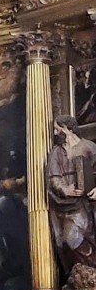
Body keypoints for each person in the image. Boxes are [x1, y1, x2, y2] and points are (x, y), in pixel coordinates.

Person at [45, 115, 96, 275]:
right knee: (69, 237)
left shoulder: (89, 147)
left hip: (89, 202)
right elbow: (54, 178)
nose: (55, 132)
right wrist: (64, 189)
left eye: (58, 129)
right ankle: (85, 269)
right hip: (67, 204)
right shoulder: (56, 152)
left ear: (68, 128)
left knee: (89, 233)